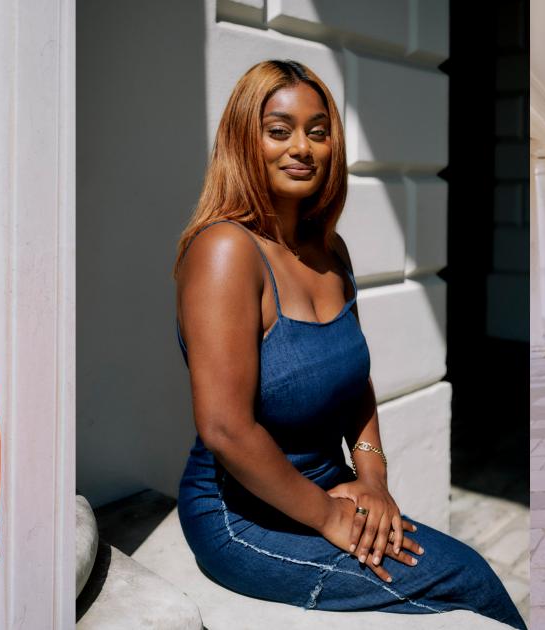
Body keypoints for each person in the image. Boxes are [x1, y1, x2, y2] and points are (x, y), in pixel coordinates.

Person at [171, 59, 525, 628]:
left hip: (332, 490)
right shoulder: (225, 251)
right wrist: (330, 518)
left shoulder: (330, 251)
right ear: (244, 140)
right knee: (467, 583)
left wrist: (373, 483)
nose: (302, 148)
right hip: (239, 515)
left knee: (467, 575)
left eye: (318, 131)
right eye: (278, 130)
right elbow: (225, 428)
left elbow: (353, 382)